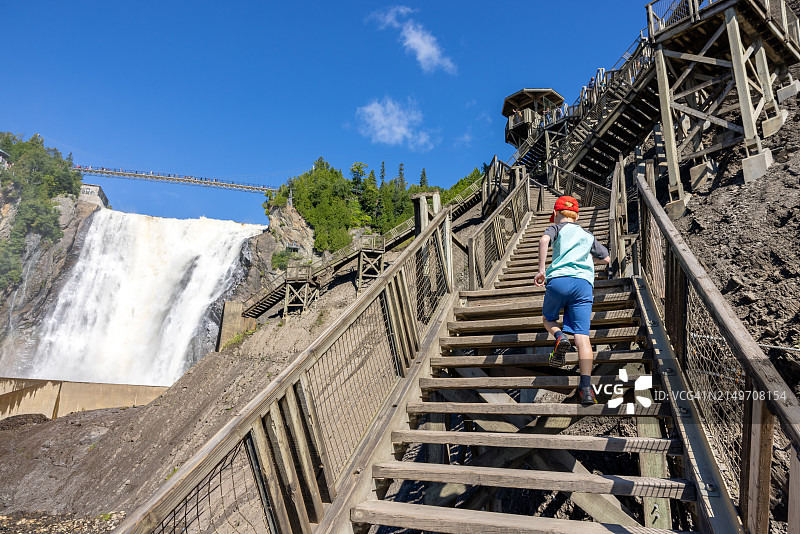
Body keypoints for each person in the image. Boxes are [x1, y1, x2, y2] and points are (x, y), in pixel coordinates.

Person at [534, 195, 611, 406]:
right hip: (584, 285)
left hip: (559, 280)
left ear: (556, 214)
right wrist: (583, 256)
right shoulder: (586, 234)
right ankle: (586, 388)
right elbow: (606, 258)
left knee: (548, 319)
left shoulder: (555, 229)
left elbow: (543, 241)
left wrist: (541, 270)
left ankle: (559, 336)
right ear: (576, 216)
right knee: (583, 337)